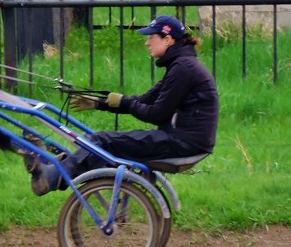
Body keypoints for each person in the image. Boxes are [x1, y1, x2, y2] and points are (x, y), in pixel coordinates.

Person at [25, 14, 219, 195]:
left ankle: (52, 178)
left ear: (168, 40)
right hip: (183, 140)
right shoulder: (181, 65)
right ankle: (60, 166)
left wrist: (124, 103)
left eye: (152, 37)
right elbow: (143, 100)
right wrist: (101, 103)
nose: (147, 43)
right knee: (97, 141)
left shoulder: (183, 68)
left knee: (102, 141)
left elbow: (156, 114)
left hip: (182, 143)